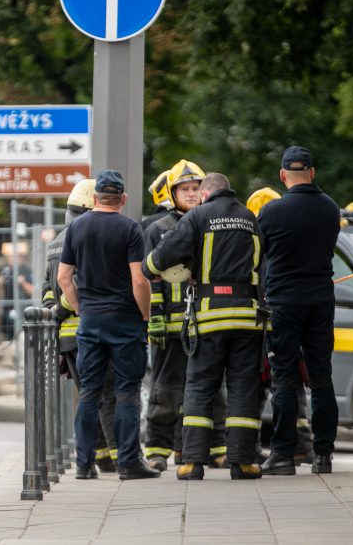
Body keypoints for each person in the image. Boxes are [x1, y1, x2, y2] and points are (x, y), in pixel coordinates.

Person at [143, 172, 265, 481]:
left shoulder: (198, 217)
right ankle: (242, 462)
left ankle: (192, 463)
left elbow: (167, 254)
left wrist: (150, 268)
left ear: (207, 194)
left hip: (209, 318)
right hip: (248, 318)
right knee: (242, 389)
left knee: (199, 386)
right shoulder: (250, 218)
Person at [57, 169, 158, 480]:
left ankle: (84, 465)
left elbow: (63, 277)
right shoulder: (130, 229)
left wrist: (81, 308)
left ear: (96, 197)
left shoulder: (76, 228)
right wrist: (144, 315)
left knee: (89, 392)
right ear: (123, 199)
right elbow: (139, 280)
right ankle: (129, 463)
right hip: (125, 322)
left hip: (90, 323)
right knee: (127, 392)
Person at [257, 146, 341, 476]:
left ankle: (282, 454)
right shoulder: (330, 208)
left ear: (282, 175)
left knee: (285, 378)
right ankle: (323, 456)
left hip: (284, 303)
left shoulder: (272, 211)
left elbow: (259, 256)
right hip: (321, 300)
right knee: (321, 378)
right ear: (313, 172)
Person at [143, 160, 230, 472]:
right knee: (166, 389)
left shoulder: (213, 223)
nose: (192, 194)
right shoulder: (158, 230)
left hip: (205, 322)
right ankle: (157, 450)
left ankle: (215, 449)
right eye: (185, 189)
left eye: (196, 188)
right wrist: (154, 316)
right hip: (170, 324)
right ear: (172, 192)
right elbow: (149, 278)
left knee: (212, 388)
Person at [41, 178, 118, 474]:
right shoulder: (86, 237)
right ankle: (120, 455)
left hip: (69, 337)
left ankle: (97, 457)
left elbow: (47, 291)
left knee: (89, 395)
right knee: (109, 395)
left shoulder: (55, 242)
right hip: (94, 329)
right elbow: (83, 284)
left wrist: (56, 312)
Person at [246, 187, 315, 466]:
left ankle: (248, 447)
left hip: (261, 327)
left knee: (256, 387)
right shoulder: (291, 243)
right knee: (290, 384)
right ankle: (302, 446)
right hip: (289, 321)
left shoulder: (255, 246)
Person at [0, 243, 33, 340]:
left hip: (22, 310)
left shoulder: (26, 271)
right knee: (7, 334)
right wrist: (0, 284)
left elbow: (32, 291)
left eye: (13, 256)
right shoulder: (6, 271)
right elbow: (2, 294)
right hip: (8, 309)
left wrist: (23, 283)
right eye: (9, 256)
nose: (11, 259)